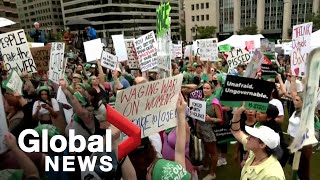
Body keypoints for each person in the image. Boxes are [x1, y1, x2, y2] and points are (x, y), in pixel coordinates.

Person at [231, 104, 285, 180]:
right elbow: (236, 132)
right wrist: (237, 113)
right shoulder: (255, 153)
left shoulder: (272, 176)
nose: (248, 137)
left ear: (262, 144)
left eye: (252, 136)